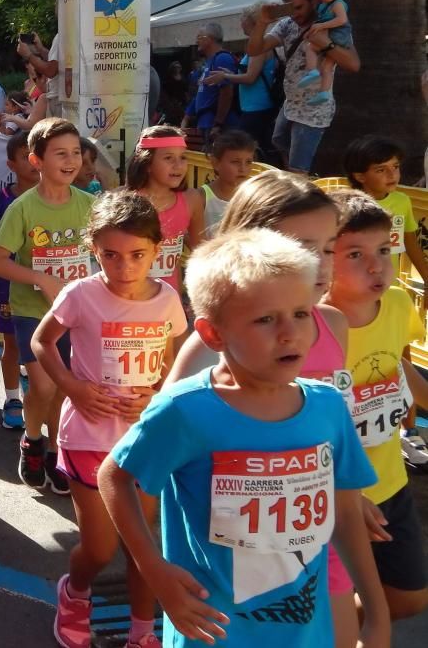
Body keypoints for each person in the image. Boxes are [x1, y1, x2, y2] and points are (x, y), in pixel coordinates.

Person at [98, 227, 389, 648]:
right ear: (213, 333)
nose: (290, 333)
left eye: (302, 313)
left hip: (308, 633)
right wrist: (153, 570)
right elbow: (116, 477)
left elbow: (345, 514)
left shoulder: (327, 406)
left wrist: (377, 616)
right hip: (213, 632)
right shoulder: (185, 408)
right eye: (266, 319)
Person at [166, 171, 362, 646]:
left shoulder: (333, 324)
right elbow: (161, 451)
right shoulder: (210, 345)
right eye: (300, 247)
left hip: (322, 541)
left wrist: (349, 496)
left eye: (328, 247)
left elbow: (331, 438)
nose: (318, 265)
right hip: (235, 560)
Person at [32, 190, 187, 648]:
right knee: (100, 548)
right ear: (93, 250)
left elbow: (174, 359)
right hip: (88, 434)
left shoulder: (168, 299)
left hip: (145, 438)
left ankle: (142, 633)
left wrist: (157, 395)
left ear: (157, 249)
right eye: (109, 256)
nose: (123, 268)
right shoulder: (80, 293)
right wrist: (74, 388)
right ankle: (75, 591)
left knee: (143, 547)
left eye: (137, 255)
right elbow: (43, 342)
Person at [324, 189, 428, 623]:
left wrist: (416, 396)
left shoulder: (400, 303)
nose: (376, 265)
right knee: (333, 598)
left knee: (408, 599)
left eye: (384, 250)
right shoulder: (311, 324)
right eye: (355, 254)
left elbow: (398, 364)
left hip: (389, 482)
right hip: (335, 494)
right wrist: (340, 492)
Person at [0, 118, 96, 495]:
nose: (71, 161)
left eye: (76, 153)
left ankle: (53, 450)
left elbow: (101, 254)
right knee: (44, 385)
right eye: (60, 154)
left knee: (65, 387)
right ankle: (31, 440)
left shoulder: (90, 205)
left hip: (79, 314)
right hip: (34, 312)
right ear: (36, 160)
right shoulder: (22, 208)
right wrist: (41, 278)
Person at [248, 0, 360, 173]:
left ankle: (298, 190)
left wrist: (326, 44)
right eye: (290, 8)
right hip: (291, 103)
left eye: (299, 7)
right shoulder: (286, 25)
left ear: (314, 0)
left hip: (313, 110)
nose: (295, 13)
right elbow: (254, 49)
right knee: (279, 142)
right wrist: (262, 23)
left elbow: (353, 64)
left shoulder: (330, 24)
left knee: (298, 168)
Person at [0, 132, 40, 429]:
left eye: (36, 154)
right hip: (10, 286)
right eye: (24, 156)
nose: (33, 161)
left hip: (47, 287)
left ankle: (39, 392)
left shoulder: (59, 196)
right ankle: (12, 398)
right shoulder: (3, 200)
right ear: (11, 163)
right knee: (13, 345)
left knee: (46, 345)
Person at [126, 126, 204, 295]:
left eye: (182, 158)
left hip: (170, 300)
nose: (178, 165)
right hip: (128, 299)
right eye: (168, 158)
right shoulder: (123, 199)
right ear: (146, 163)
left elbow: (201, 251)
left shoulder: (192, 199)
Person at [343, 135, 428, 286]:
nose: (392, 175)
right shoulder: (345, 206)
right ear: (360, 176)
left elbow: (411, 244)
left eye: (395, 166)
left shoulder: (402, 201)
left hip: (389, 285)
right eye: (381, 170)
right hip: (355, 286)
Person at [203, 3, 279, 164]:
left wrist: (226, 76)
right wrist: (229, 74)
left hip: (257, 108)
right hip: (254, 108)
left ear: (250, 21)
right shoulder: (256, 43)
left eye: (242, 19)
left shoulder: (260, 45)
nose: (240, 23)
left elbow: (251, 77)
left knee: (245, 149)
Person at [298, 0, 353, 106]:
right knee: (327, 67)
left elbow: (342, 20)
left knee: (310, 48)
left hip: (338, 37)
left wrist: (320, 27)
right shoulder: (323, 6)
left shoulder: (337, 4)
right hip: (336, 38)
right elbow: (319, 23)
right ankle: (324, 92)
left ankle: (312, 72)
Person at [180, 23, 239, 144]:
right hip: (207, 124)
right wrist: (187, 115)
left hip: (217, 127)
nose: (197, 41)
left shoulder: (222, 59)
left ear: (209, 39)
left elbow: (227, 93)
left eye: (199, 37)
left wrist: (218, 124)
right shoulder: (210, 62)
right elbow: (203, 92)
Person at [200, 130, 256, 238]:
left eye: (248, 162)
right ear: (215, 163)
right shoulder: (201, 197)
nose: (243, 169)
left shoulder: (253, 198)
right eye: (235, 162)